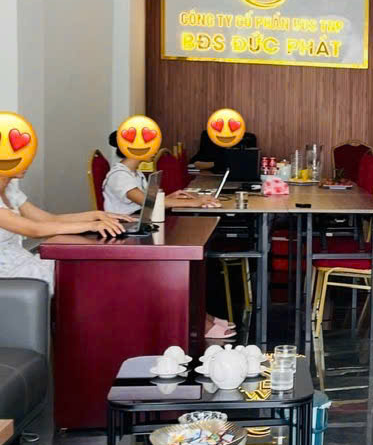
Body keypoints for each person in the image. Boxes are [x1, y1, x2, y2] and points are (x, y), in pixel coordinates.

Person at [102, 130, 235, 340]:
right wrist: (196, 202)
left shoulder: (134, 173)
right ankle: (198, 320)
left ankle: (200, 316)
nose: (154, 149)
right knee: (177, 267)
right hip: (125, 239)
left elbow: (147, 202)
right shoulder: (119, 176)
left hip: (140, 233)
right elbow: (148, 202)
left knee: (187, 263)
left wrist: (173, 196)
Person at [0, 175, 129, 292]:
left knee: (86, 266)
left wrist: (96, 215)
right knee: (82, 272)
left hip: (22, 261)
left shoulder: (10, 189)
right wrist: (92, 225)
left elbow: (49, 219)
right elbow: (34, 230)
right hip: (8, 273)